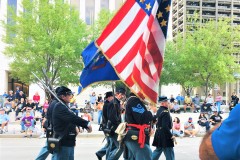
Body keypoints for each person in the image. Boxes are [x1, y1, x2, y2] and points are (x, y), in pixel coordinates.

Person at [51, 86, 92, 160]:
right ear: (63, 96)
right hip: (63, 141)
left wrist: (75, 129)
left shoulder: (65, 106)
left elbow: (70, 120)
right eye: (69, 94)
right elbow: (72, 118)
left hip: (69, 140)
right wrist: (87, 124)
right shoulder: (59, 106)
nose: (71, 96)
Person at [124, 92, 153, 160]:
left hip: (133, 133)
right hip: (137, 135)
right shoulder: (135, 101)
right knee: (146, 155)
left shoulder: (131, 100)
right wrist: (151, 111)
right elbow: (142, 119)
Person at [35, 87, 61, 160]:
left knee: (53, 146)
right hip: (54, 129)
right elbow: (48, 117)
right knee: (49, 146)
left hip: (53, 129)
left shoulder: (54, 102)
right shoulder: (56, 103)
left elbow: (47, 116)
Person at [105, 87, 126, 160]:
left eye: (123, 95)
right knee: (120, 147)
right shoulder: (114, 103)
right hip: (114, 128)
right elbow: (112, 117)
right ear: (117, 94)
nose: (123, 96)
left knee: (112, 147)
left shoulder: (116, 102)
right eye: (122, 94)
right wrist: (119, 125)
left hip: (114, 127)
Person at [96, 91, 114, 160]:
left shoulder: (107, 104)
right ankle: (106, 157)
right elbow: (109, 117)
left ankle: (100, 153)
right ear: (109, 97)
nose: (113, 98)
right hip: (107, 127)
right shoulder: (108, 105)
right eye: (112, 97)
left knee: (110, 143)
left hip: (106, 126)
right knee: (110, 144)